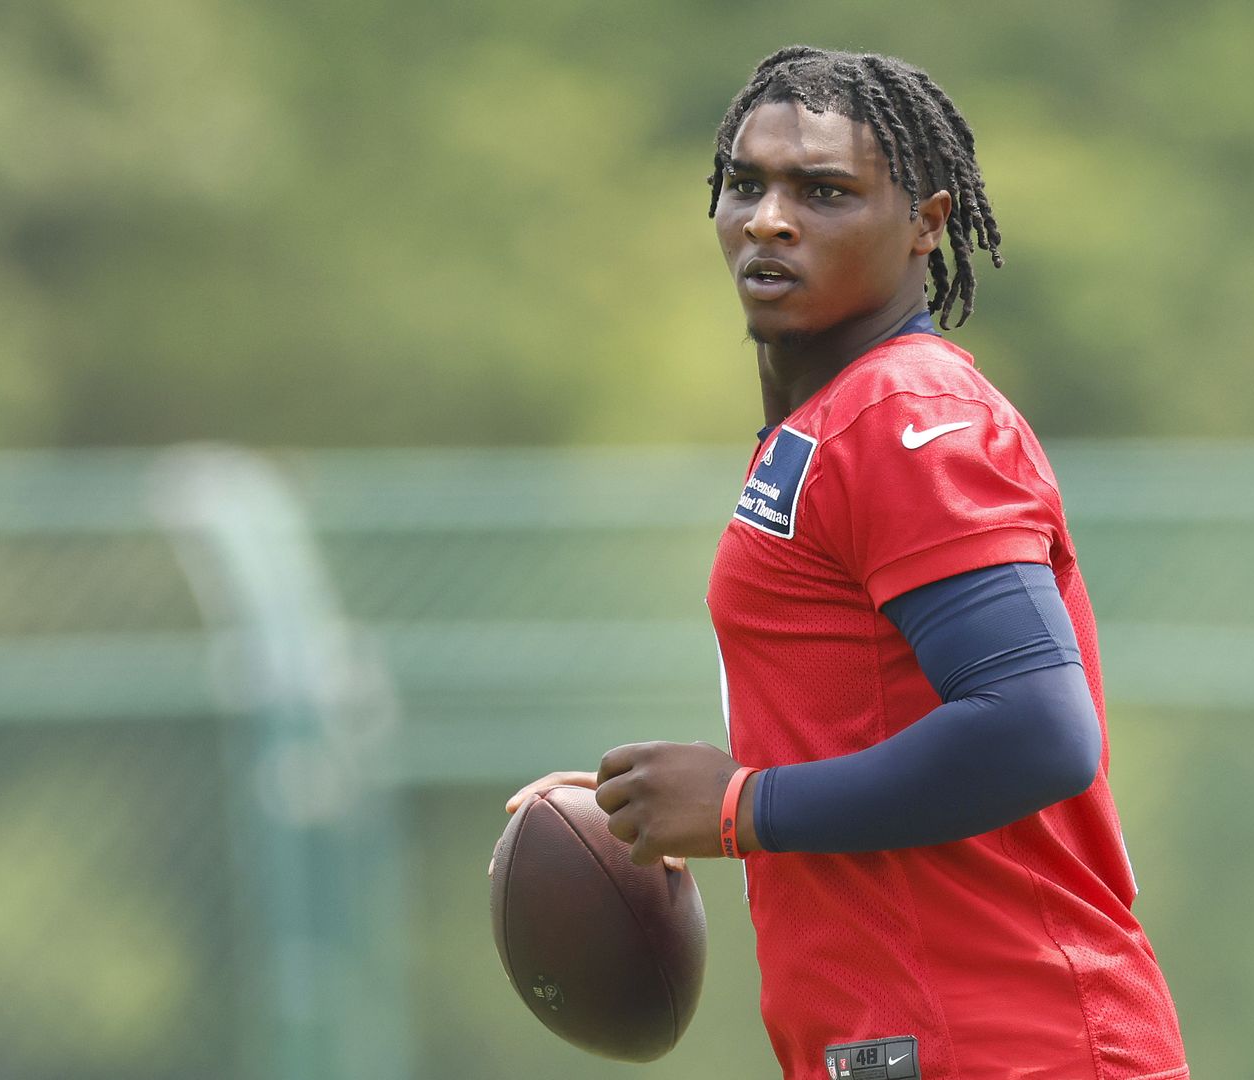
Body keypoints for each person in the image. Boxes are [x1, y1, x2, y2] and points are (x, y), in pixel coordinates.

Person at [507, 46, 1188, 1080]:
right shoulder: (826, 427)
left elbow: (1037, 729)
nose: (769, 220)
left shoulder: (905, 412)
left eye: (824, 191)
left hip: (1016, 1046)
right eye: (746, 184)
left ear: (928, 222)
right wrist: (661, 799)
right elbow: (871, 717)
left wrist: (741, 805)